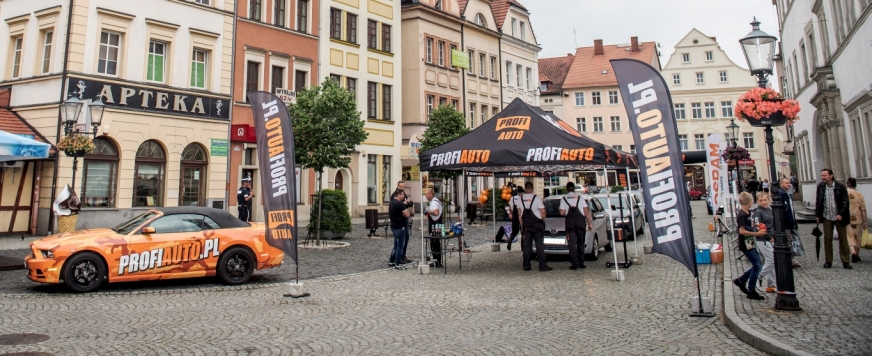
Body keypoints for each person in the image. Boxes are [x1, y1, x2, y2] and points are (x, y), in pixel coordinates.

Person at [815, 169, 852, 269]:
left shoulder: (840, 187)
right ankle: (828, 260)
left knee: (843, 238)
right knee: (827, 238)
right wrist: (818, 215)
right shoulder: (820, 187)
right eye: (822, 176)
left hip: (838, 216)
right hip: (827, 215)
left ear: (831, 175)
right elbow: (818, 201)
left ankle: (845, 260)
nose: (823, 177)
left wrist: (841, 214)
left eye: (825, 175)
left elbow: (845, 202)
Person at [733, 192, 767, 301]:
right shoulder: (742, 214)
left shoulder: (747, 212)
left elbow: (749, 224)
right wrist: (757, 234)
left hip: (750, 242)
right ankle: (751, 290)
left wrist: (757, 225)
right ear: (749, 202)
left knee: (756, 265)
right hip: (746, 243)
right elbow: (742, 231)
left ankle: (741, 280)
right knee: (757, 265)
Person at [518, 181, 552, 272]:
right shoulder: (536, 198)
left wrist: (522, 226)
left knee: (527, 246)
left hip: (527, 226)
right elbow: (543, 212)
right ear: (532, 188)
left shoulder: (520, 199)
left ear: (525, 188)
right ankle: (542, 266)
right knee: (539, 245)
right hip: (537, 225)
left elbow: (519, 214)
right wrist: (543, 221)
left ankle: (526, 265)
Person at [559, 182, 593, 270]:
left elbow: (562, 212)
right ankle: (581, 263)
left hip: (570, 226)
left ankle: (575, 264)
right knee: (581, 244)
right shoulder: (580, 198)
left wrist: (565, 212)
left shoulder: (564, 199)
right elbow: (586, 212)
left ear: (567, 189)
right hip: (581, 224)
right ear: (574, 189)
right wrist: (590, 224)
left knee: (572, 245)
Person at [753, 192, 776, 293]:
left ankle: (770, 285)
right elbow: (759, 227)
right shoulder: (758, 212)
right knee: (772, 260)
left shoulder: (769, 210)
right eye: (761, 200)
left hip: (771, 238)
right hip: (763, 239)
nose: (763, 202)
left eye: (765, 200)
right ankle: (758, 277)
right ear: (757, 201)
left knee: (769, 261)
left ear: (768, 200)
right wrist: (768, 236)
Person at [779, 177, 801, 268]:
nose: (789, 184)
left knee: (790, 240)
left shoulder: (785, 193)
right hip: (785, 223)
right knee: (788, 241)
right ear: (781, 184)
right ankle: (789, 260)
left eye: (789, 183)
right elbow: (783, 210)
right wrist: (787, 220)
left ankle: (790, 259)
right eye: (787, 183)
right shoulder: (781, 194)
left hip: (789, 222)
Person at [846, 178, 868, 263]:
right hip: (858, 217)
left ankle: (853, 252)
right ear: (855, 184)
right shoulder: (859, 195)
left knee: (849, 236)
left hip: (848, 217)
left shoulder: (844, 193)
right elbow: (863, 209)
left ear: (847, 184)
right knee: (858, 236)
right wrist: (865, 221)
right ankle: (857, 254)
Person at [389, 190, 410, 270]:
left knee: (396, 245)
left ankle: (391, 261)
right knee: (400, 246)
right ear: (399, 195)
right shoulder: (399, 204)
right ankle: (398, 263)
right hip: (400, 227)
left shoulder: (392, 203)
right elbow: (407, 214)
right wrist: (403, 214)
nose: (404, 196)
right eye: (403, 194)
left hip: (393, 226)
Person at [424, 188, 443, 268]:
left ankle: (436, 260)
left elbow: (436, 212)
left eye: (426, 194)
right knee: (436, 243)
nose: (425, 195)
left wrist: (428, 211)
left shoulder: (434, 202)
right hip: (437, 224)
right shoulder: (437, 201)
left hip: (435, 225)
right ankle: (437, 260)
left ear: (431, 194)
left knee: (434, 243)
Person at [396, 181, 413, 264]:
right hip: (399, 220)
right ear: (398, 186)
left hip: (404, 219)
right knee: (399, 241)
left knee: (406, 238)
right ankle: (398, 258)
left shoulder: (404, 195)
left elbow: (410, 203)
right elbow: (396, 204)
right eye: (401, 187)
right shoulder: (395, 195)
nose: (402, 188)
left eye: (403, 187)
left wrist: (408, 203)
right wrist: (405, 203)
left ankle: (403, 255)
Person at [506, 186, 523, 251]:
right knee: (523, 231)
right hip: (521, 216)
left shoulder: (513, 198)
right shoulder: (522, 198)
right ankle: (523, 247)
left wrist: (512, 214)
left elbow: (510, 207)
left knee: (514, 231)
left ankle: (510, 239)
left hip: (514, 216)